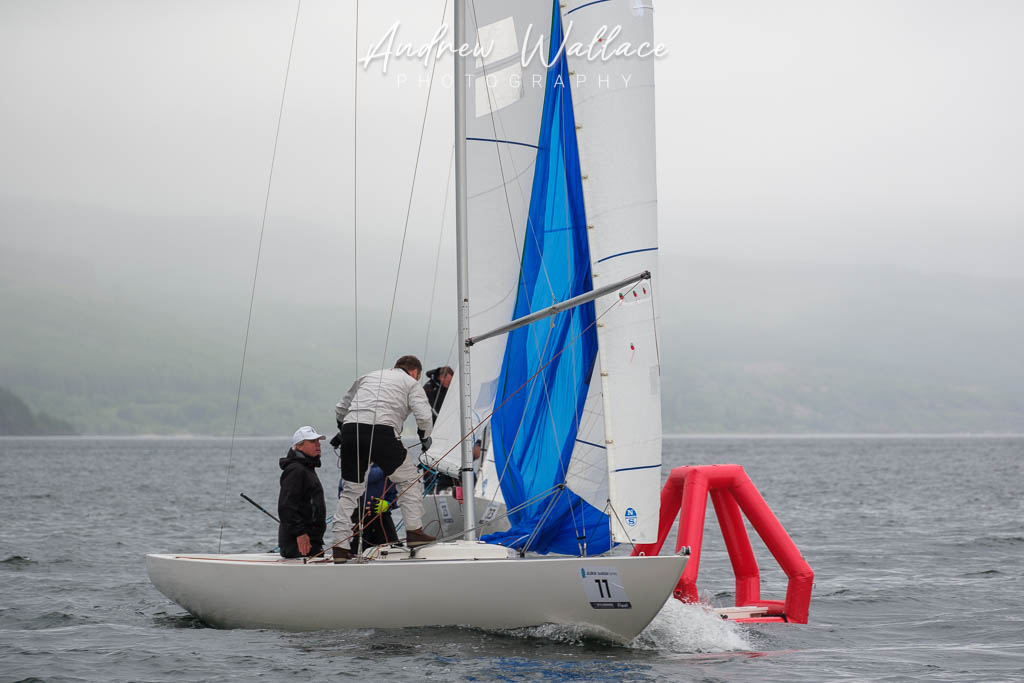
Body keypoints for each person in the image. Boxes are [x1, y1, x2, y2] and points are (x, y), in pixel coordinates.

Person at [332, 355, 435, 558]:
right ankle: (414, 531)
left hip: (351, 430)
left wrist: (342, 430)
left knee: (351, 489)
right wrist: (425, 438)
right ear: (415, 372)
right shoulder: (411, 383)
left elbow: (341, 408)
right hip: (381, 431)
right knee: (409, 479)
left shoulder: (368, 376)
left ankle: (339, 546)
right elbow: (424, 416)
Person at [277, 426, 327, 559]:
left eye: (318, 441)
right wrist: (300, 533)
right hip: (299, 544)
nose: (318, 444)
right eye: (312, 442)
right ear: (299, 446)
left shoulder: (307, 468)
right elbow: (286, 506)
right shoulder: (296, 470)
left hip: (311, 541)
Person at [347, 464, 399, 551]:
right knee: (355, 551)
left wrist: (389, 504)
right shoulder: (389, 466)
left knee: (390, 549)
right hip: (358, 517)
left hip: (381, 516)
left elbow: (398, 494)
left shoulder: (390, 469)